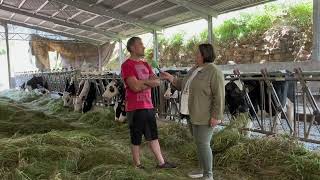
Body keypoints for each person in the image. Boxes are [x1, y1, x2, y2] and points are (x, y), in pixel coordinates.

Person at [161, 44, 225, 180]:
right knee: (198, 143)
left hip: (205, 114)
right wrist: (171, 78)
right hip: (191, 112)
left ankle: (209, 175)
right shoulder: (195, 69)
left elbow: (219, 95)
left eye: (198, 54)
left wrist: (216, 116)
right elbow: (183, 84)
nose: (195, 56)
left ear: (205, 55)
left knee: (204, 143)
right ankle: (201, 169)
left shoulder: (214, 71)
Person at [121, 37, 176, 169]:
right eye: (140, 44)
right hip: (134, 107)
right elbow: (134, 87)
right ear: (133, 48)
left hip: (148, 105)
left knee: (153, 135)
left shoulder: (146, 64)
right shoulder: (127, 65)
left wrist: (143, 83)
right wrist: (148, 83)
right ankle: (137, 165)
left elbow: (156, 82)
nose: (144, 47)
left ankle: (161, 163)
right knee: (136, 137)